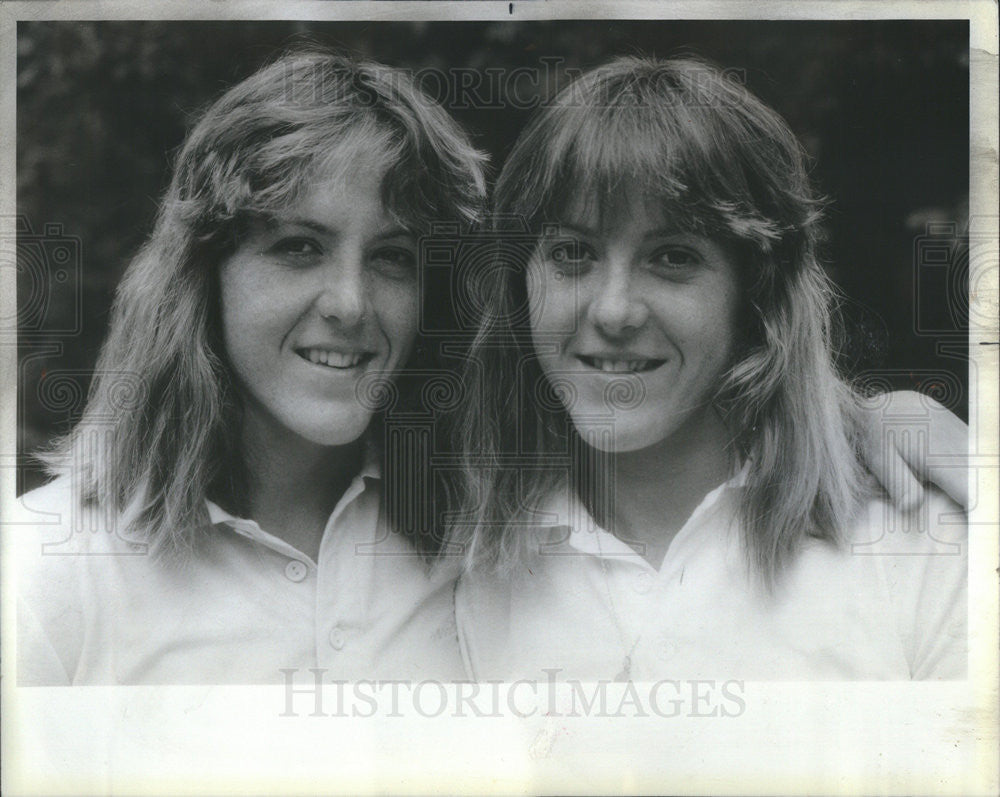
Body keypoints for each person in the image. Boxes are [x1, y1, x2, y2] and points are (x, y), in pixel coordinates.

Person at [451, 56, 967, 681]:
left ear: (754, 296)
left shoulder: (917, 542)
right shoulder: (475, 564)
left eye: (672, 257)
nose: (613, 310)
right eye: (571, 253)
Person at [14, 49, 486, 684]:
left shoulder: (483, 540)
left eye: (392, 256)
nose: (350, 303)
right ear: (206, 275)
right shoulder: (45, 565)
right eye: (299, 247)